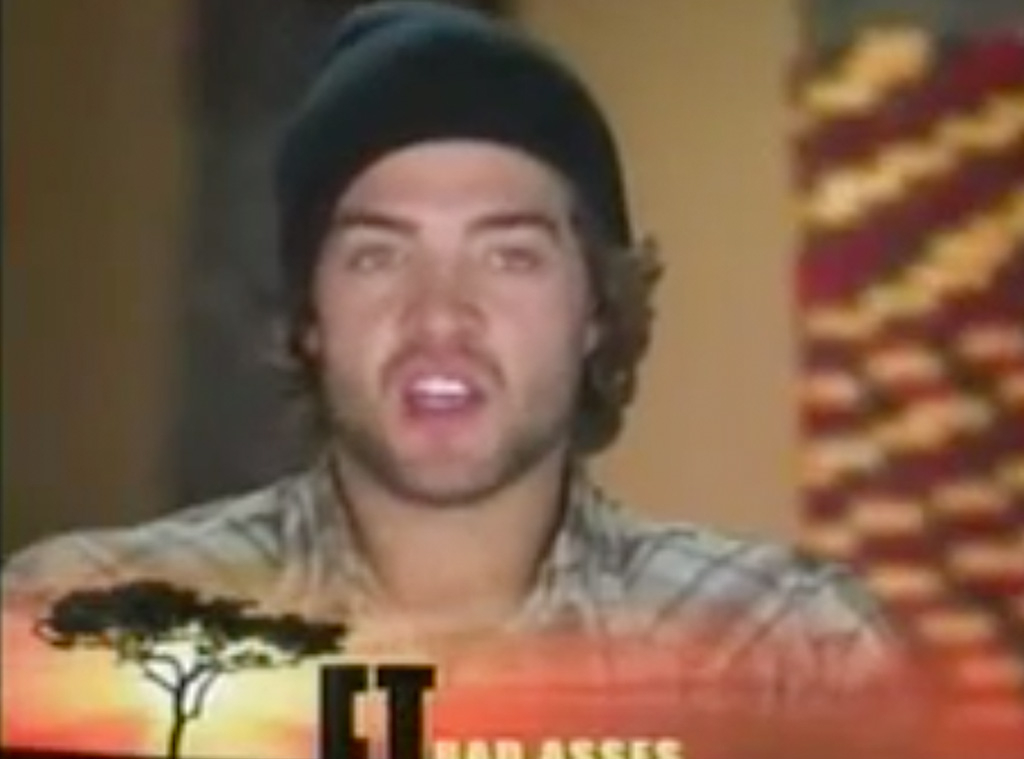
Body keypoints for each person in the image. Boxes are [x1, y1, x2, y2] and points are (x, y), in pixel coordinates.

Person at [2, 1, 907, 704]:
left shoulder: (785, 649)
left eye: (508, 256)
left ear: (596, 308)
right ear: (309, 314)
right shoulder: (79, 629)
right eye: (379, 256)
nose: (440, 315)